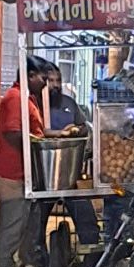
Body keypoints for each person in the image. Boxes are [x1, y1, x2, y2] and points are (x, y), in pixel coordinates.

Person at [0, 59, 48, 267]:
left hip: (22, 172)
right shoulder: (15, 98)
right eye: (43, 78)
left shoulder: (26, 98)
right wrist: (36, 148)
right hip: (11, 173)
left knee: (24, 227)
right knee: (11, 229)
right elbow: (13, 133)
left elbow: (32, 132)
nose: (45, 83)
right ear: (30, 75)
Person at [42, 63, 98, 245]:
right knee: (35, 220)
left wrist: (76, 130)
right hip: (42, 175)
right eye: (50, 81)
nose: (55, 85)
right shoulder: (34, 104)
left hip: (69, 172)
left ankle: (90, 251)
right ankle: (36, 256)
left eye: (58, 81)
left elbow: (83, 127)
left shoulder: (69, 103)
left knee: (85, 215)